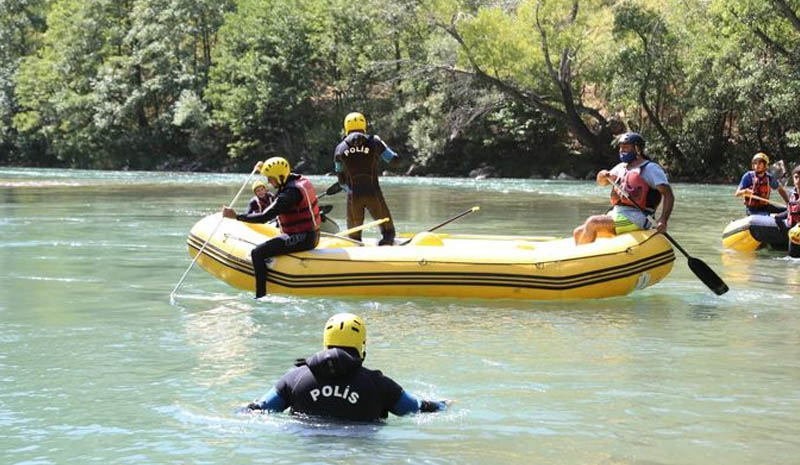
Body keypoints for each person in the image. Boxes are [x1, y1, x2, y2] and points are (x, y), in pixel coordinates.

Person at [243, 312, 449, 421]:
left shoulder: (294, 378)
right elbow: (414, 409)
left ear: (325, 342)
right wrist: (444, 404)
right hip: (360, 453)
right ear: (362, 345)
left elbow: (258, 409)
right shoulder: (379, 384)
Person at [222, 157, 320, 298]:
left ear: (280, 177)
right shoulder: (297, 180)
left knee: (257, 253)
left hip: (303, 239)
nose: (268, 182)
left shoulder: (288, 195)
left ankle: (260, 295)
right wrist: (263, 168)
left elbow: (263, 217)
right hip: (310, 234)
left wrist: (236, 216)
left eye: (270, 178)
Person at [573, 132, 675, 245]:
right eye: (620, 148)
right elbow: (602, 183)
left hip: (637, 218)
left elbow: (668, 194)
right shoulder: (621, 167)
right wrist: (601, 175)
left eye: (626, 147)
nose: (622, 150)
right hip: (617, 214)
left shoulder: (650, 169)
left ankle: (585, 260)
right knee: (578, 232)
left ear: (637, 149)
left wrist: (663, 220)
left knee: (593, 222)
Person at [333, 112, 399, 245]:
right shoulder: (375, 142)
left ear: (346, 127)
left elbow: (340, 178)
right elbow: (395, 160)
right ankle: (387, 244)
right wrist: (382, 145)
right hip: (374, 194)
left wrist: (349, 189)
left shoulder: (339, 148)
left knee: (353, 239)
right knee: (388, 234)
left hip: (353, 197)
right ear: (364, 125)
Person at [773, 165, 800, 257]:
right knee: (777, 218)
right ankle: (784, 238)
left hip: (798, 229)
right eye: (796, 177)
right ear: (793, 178)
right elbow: (790, 209)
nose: (798, 180)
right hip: (793, 229)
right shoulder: (792, 193)